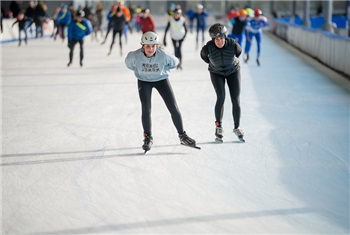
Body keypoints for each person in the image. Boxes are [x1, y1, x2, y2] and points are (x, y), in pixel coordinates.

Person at [124, 31, 197, 152]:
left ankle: (182, 135)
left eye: (153, 46)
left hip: (161, 80)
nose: (150, 49)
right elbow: (129, 64)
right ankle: (148, 137)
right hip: (144, 81)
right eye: (147, 46)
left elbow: (175, 62)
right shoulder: (135, 56)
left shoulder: (163, 54)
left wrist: (164, 69)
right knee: (146, 109)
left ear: (157, 46)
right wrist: (141, 72)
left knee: (173, 107)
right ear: (142, 45)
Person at [200, 23, 245, 142]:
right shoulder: (207, 48)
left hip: (233, 71)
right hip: (216, 73)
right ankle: (218, 127)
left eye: (221, 38)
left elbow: (238, 53)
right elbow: (205, 58)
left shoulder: (233, 44)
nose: (219, 41)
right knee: (221, 97)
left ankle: (237, 127)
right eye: (216, 39)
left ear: (225, 37)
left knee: (235, 99)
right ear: (212, 39)